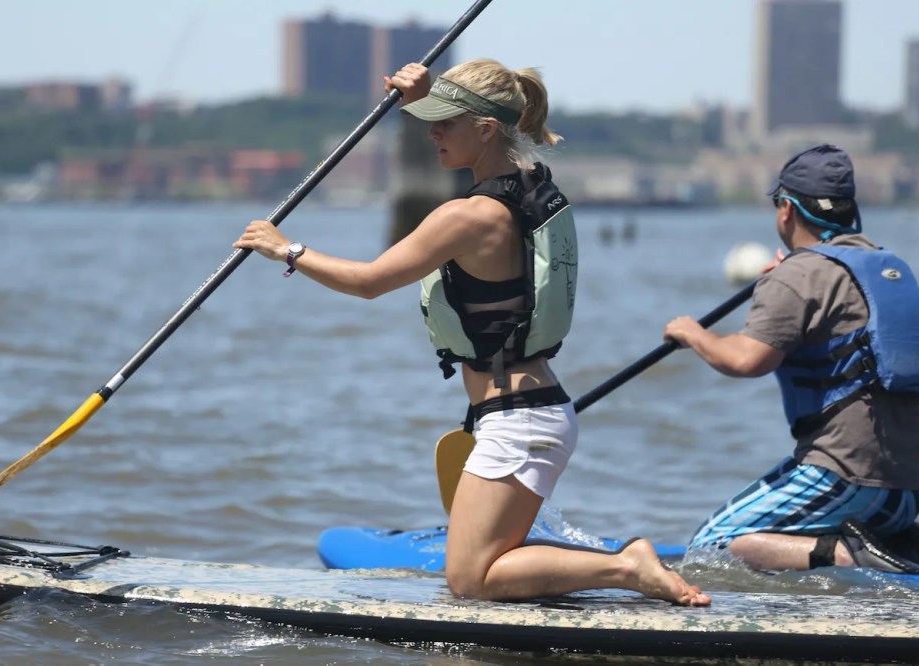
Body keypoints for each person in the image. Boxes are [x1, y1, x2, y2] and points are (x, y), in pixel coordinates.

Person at [235, 59, 710, 606]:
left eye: (445, 122)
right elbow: (487, 123)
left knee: (470, 580)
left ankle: (627, 567)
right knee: (476, 572)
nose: (431, 132)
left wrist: (285, 248)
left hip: (520, 421)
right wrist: (428, 95)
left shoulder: (468, 217)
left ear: (484, 130)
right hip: (530, 412)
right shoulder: (531, 184)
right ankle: (609, 570)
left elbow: (367, 283)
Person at [663, 144, 919, 574]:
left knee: (711, 549)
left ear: (787, 209)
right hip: (904, 492)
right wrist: (785, 277)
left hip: (845, 478)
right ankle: (903, 545)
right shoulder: (882, 264)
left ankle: (852, 555)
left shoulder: (799, 274)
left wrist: (692, 333)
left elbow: (746, 360)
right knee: (769, 534)